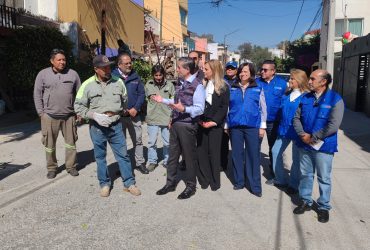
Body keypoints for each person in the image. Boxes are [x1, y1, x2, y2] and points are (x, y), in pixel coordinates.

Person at [74, 54, 141, 197]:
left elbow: (124, 100)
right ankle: (104, 184)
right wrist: (94, 116)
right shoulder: (87, 85)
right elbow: (78, 107)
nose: (107, 69)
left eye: (108, 66)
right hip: (97, 127)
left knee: (123, 155)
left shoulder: (118, 82)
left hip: (116, 124)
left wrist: (116, 113)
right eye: (103, 68)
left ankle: (129, 182)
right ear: (96, 69)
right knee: (100, 157)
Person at [292, 69, 344, 223]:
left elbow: (333, 125)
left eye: (313, 79)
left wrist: (313, 137)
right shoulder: (306, 97)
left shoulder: (335, 99)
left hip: (324, 146)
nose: (309, 81)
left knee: (324, 177)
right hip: (305, 144)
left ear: (323, 81)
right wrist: (302, 134)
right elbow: (296, 118)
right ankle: (305, 201)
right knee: (305, 174)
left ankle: (323, 207)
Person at [152, 57, 205, 199]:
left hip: (187, 125)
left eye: (180, 67)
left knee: (189, 157)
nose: (177, 69)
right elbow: (176, 102)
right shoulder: (180, 83)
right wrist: (162, 100)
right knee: (173, 156)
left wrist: (184, 109)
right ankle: (170, 183)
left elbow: (200, 109)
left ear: (187, 70)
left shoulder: (197, 86)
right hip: (175, 124)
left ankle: (191, 186)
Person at [33, 48, 81, 179]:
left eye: (64, 59)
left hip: (69, 116)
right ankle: (52, 168)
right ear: (52, 61)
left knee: (71, 143)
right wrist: (40, 113)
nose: (62, 62)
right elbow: (37, 94)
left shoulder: (73, 74)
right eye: (59, 60)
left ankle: (71, 166)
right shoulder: (43, 74)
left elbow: (80, 94)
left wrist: (79, 111)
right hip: (49, 116)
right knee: (49, 145)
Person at [227, 62, 267, 197]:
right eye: (241, 71)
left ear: (251, 73)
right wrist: (227, 125)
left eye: (246, 72)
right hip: (235, 126)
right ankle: (239, 182)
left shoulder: (258, 87)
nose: (243, 74)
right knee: (236, 155)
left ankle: (255, 186)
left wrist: (262, 126)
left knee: (253, 156)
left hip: (252, 126)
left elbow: (263, 108)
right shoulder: (232, 87)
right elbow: (228, 107)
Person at [270, 69, 309, 194]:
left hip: (297, 131)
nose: (289, 80)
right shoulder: (287, 94)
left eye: (292, 78)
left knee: (296, 159)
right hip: (284, 129)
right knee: (275, 151)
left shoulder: (306, 96)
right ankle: (280, 179)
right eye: (290, 78)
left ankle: (294, 184)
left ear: (299, 80)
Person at [112, 53, 148, 174]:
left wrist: (136, 108)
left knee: (137, 140)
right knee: (120, 142)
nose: (129, 65)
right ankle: (123, 166)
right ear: (119, 64)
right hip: (119, 116)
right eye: (126, 63)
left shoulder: (135, 76)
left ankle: (140, 163)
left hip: (134, 114)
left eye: (130, 62)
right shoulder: (112, 77)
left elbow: (141, 94)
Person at [197, 60, 229, 191]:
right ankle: (204, 180)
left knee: (214, 153)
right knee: (201, 152)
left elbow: (223, 107)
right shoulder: (202, 85)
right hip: (201, 122)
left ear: (214, 71)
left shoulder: (223, 87)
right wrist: (199, 119)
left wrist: (214, 121)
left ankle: (215, 182)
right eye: (203, 69)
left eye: (206, 69)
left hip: (215, 125)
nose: (203, 71)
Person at [256, 60, 287, 181]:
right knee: (255, 146)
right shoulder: (256, 82)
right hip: (258, 122)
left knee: (273, 148)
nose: (262, 72)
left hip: (274, 122)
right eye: (261, 69)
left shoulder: (282, 84)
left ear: (273, 71)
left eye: (265, 70)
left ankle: (274, 172)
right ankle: (253, 171)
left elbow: (286, 101)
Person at [145, 64, 175, 171]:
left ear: (163, 75)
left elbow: (173, 101)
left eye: (160, 75)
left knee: (167, 142)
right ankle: (152, 161)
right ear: (153, 75)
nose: (158, 77)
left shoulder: (170, 85)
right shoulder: (148, 84)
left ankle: (167, 161)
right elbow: (147, 99)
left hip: (166, 117)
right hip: (152, 117)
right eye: (156, 75)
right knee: (151, 142)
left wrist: (172, 116)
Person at [221, 60, 239, 171]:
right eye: (228, 68)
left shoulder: (240, 81)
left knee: (236, 144)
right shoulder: (222, 81)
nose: (230, 70)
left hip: (235, 115)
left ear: (236, 70)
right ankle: (223, 164)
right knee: (223, 143)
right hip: (223, 116)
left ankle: (237, 166)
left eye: (232, 68)